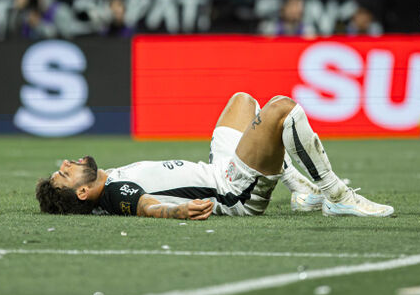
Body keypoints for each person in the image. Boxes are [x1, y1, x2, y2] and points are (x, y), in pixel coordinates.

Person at [35, 92, 394, 219]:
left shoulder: (108, 179)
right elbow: (145, 205)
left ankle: (299, 188)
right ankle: (337, 196)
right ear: (82, 193)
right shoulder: (113, 193)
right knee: (283, 109)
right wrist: (176, 211)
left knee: (243, 101)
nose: (66, 164)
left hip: (218, 169)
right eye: (65, 174)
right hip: (233, 190)